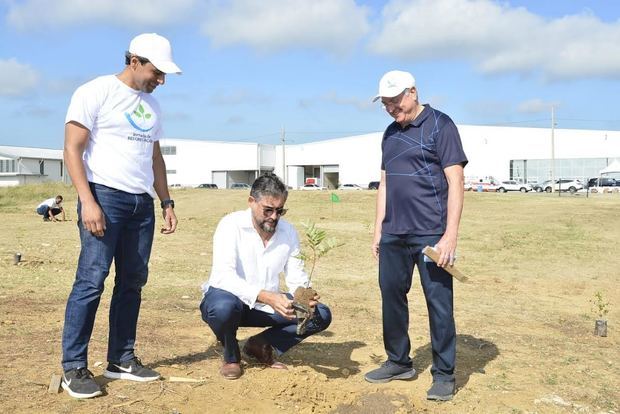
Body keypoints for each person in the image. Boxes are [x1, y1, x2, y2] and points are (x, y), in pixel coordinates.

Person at [61, 33, 181, 399]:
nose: (160, 81)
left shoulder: (153, 107)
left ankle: (121, 359)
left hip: (140, 205)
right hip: (104, 197)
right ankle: (73, 367)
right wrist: (88, 201)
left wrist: (166, 201)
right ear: (134, 61)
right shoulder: (95, 92)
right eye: (156, 72)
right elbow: (72, 149)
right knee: (91, 281)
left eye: (163, 75)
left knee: (132, 282)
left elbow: (155, 158)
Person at [364, 70, 468, 402]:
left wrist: (450, 234)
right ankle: (398, 362)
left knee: (439, 304)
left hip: (431, 234)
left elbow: (456, 182)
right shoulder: (390, 134)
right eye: (386, 104)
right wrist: (378, 227)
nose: (392, 109)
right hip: (394, 232)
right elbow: (385, 182)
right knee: (391, 298)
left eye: (395, 101)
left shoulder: (441, 125)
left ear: (413, 92)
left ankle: (444, 374)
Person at [200, 172, 332, 380]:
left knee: (320, 315)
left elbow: (296, 275)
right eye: (268, 210)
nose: (274, 217)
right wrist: (266, 296)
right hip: (229, 301)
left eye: (280, 211)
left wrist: (305, 295)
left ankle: (261, 345)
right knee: (223, 309)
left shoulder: (288, 232)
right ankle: (231, 356)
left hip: (266, 307)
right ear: (252, 202)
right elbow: (223, 276)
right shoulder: (230, 225)